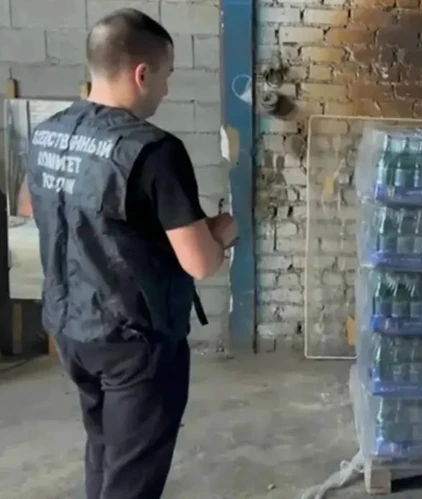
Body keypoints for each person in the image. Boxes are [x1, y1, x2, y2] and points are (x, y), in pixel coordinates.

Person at [25, 9, 236, 499]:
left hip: (72, 327)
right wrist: (221, 234)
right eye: (166, 75)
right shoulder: (154, 151)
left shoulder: (48, 132)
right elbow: (200, 262)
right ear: (142, 74)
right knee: (132, 475)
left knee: (103, 450)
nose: (166, 88)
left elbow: (34, 205)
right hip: (134, 340)